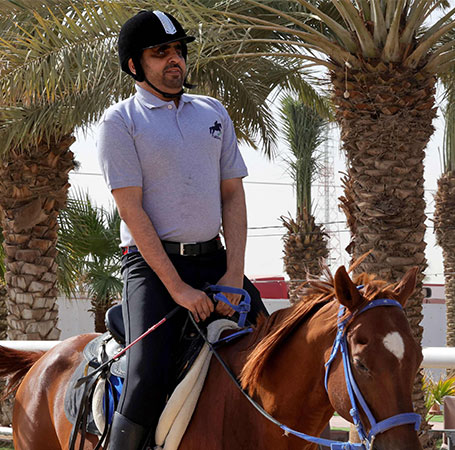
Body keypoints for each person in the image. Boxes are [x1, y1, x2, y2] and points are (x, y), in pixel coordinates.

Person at [97, 10, 269, 450]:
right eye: (161, 53)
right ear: (134, 65)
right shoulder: (120, 122)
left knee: (275, 349)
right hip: (152, 270)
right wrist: (176, 288)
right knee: (146, 377)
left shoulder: (213, 112)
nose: (175, 60)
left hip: (215, 261)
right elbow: (132, 210)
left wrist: (234, 275)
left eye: (178, 50)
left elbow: (232, 196)